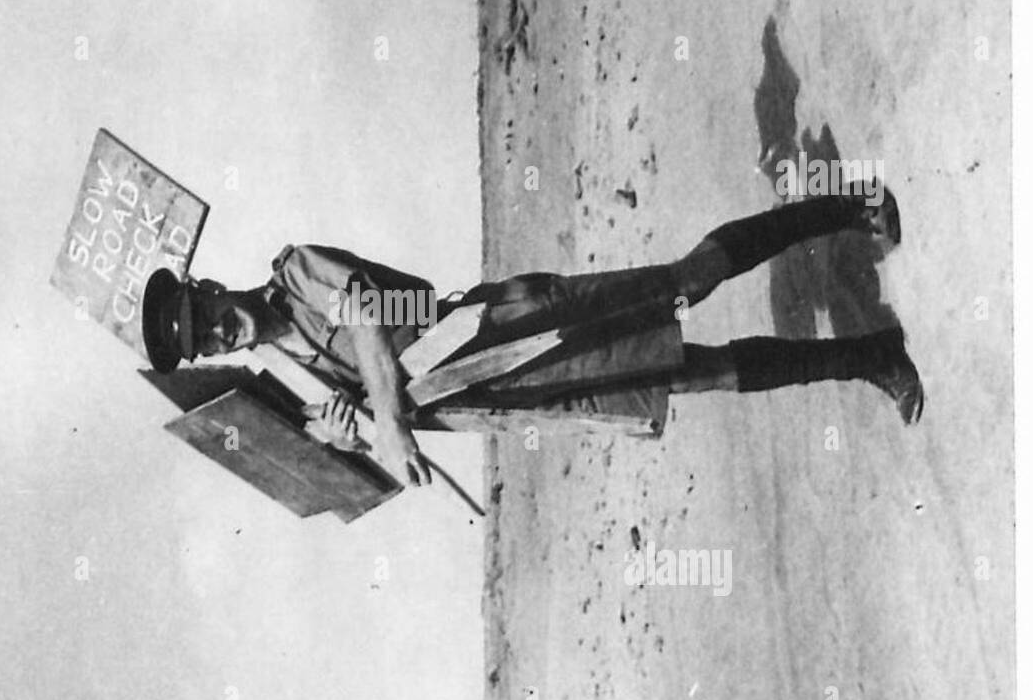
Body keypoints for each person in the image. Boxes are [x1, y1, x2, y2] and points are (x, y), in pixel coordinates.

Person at [142, 188, 923, 487]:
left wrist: (383, 418)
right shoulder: (290, 372)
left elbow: (369, 319)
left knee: (685, 282)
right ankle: (871, 356)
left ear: (209, 287)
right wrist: (343, 433)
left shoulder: (295, 271)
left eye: (205, 315)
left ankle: (847, 209)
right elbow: (368, 431)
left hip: (515, 325)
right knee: (696, 374)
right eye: (206, 342)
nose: (217, 331)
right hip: (502, 391)